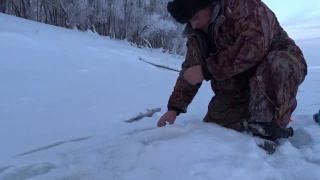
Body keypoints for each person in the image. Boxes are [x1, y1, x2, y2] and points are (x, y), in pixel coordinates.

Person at [157, 0, 308, 153]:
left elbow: (254, 47)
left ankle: (268, 132)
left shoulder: (244, 6)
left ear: (208, 4)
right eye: (189, 21)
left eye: (195, 17)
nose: (194, 25)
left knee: (276, 63)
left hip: (278, 70)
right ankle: (252, 114)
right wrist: (174, 108)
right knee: (215, 124)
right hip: (240, 82)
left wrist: (207, 70)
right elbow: (190, 71)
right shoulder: (197, 34)